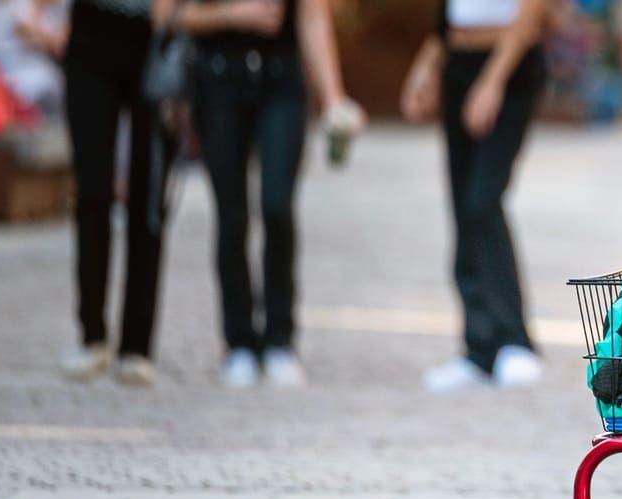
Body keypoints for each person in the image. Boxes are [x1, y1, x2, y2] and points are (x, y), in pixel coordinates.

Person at [154, 0, 364, 389]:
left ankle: (280, 339)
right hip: (217, 83)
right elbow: (165, 14)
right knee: (231, 215)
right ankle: (239, 342)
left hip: (281, 83)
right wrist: (229, 16)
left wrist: (333, 96)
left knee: (277, 206)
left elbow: (313, 17)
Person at [401, 0, 549, 393]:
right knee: (462, 203)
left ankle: (514, 340)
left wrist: (492, 81)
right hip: (457, 63)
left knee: (483, 201)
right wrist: (427, 65)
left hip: (508, 66)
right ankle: (478, 348)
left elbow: (533, 15)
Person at [58, 0, 169, 387]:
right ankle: (92, 335)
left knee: (149, 199)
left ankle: (137, 346)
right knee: (92, 192)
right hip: (92, 31)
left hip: (156, 39)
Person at [0, 0, 70, 117]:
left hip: (36, 82)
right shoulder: (20, 8)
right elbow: (54, 44)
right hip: (21, 84)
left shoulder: (44, 13)